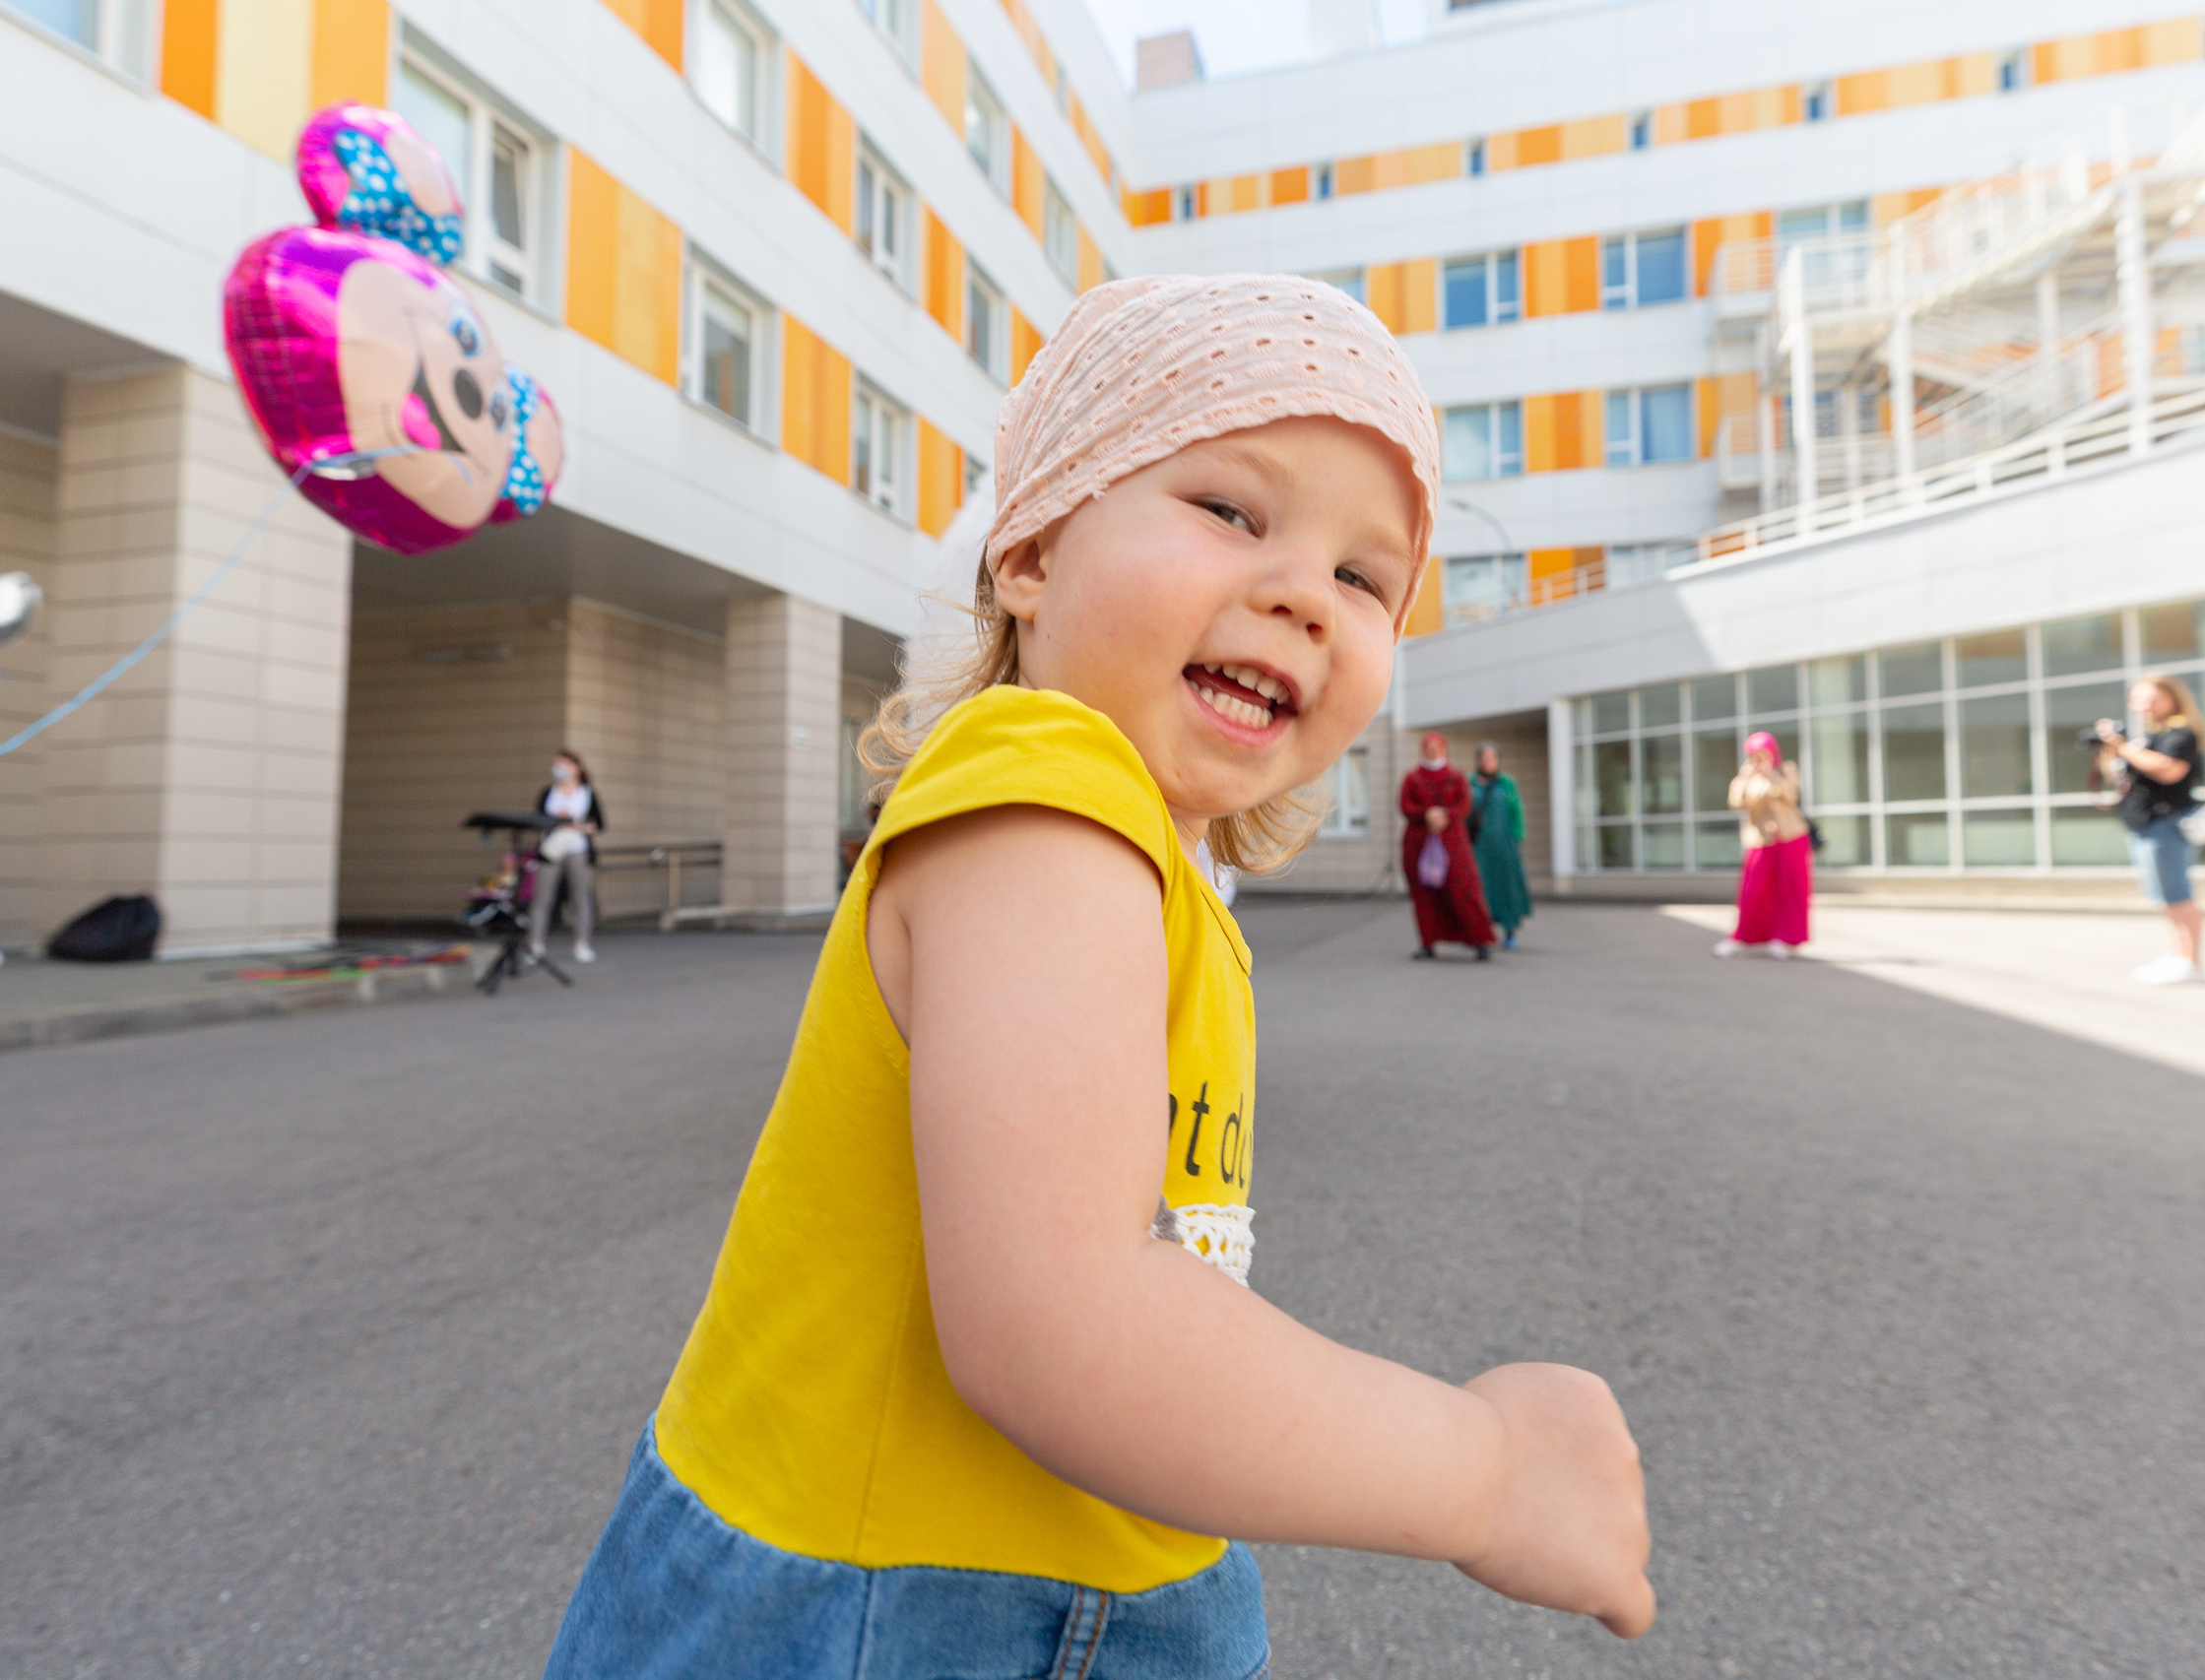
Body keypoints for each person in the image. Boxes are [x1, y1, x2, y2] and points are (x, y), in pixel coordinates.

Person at [543, 276, 1653, 1679]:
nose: (1306, 590)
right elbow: (1055, 1320)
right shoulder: (1046, 797)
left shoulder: (1147, 867)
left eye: (1368, 578)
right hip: (898, 1609)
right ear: (1035, 551)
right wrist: (1486, 1469)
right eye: (1232, 510)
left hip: (1035, 1576)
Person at [2098, 673, 2205, 986]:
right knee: (2165, 897)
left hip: (2166, 825)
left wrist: (2123, 747)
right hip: (2145, 826)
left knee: (2179, 895)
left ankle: (2192, 963)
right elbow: (2117, 777)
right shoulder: (2146, 737)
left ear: (2172, 698)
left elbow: (2167, 770)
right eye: (2138, 699)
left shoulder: (2181, 733)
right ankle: (2179, 957)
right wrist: (2112, 750)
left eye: (2151, 698)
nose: (2144, 705)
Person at [1399, 730, 1497, 960]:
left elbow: (1464, 805)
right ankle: (1428, 943)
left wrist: (1444, 815)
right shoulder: (1412, 779)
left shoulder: (1456, 777)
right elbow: (1405, 806)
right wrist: (1426, 814)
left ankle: (1480, 940)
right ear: (1422, 751)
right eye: (1428, 748)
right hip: (1419, 844)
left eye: (1437, 748)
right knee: (1424, 895)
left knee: (1463, 890)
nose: (1432, 752)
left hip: (1453, 844)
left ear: (1444, 750)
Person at [1715, 731, 1810, 958]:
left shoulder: (1786, 769)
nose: (1760, 758)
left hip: (1791, 837)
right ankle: (1741, 938)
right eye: (1755, 754)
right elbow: (1736, 803)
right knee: (1753, 890)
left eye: (1764, 753)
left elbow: (1791, 795)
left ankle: (1783, 939)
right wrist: (1748, 777)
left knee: (1791, 889)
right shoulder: (1746, 776)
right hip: (1760, 840)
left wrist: (1773, 776)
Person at [529, 748, 603, 965]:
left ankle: (582, 943)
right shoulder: (548, 792)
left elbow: (599, 824)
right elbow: (537, 820)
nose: (558, 769)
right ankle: (535, 945)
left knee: (581, 898)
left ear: (575, 767)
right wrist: (556, 820)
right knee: (542, 898)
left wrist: (575, 825)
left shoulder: (586, 793)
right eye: (556, 764)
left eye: (563, 764)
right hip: (552, 850)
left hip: (578, 849)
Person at [1469, 742, 1531, 950]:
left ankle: (1509, 932)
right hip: (1477, 846)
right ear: (1478, 760)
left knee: (1506, 887)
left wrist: (1518, 836)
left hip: (1504, 844)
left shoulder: (1507, 783)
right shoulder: (1469, 783)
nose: (1488, 762)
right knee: (1478, 887)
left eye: (1492, 758)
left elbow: (1517, 810)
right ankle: (1479, 933)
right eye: (1484, 758)